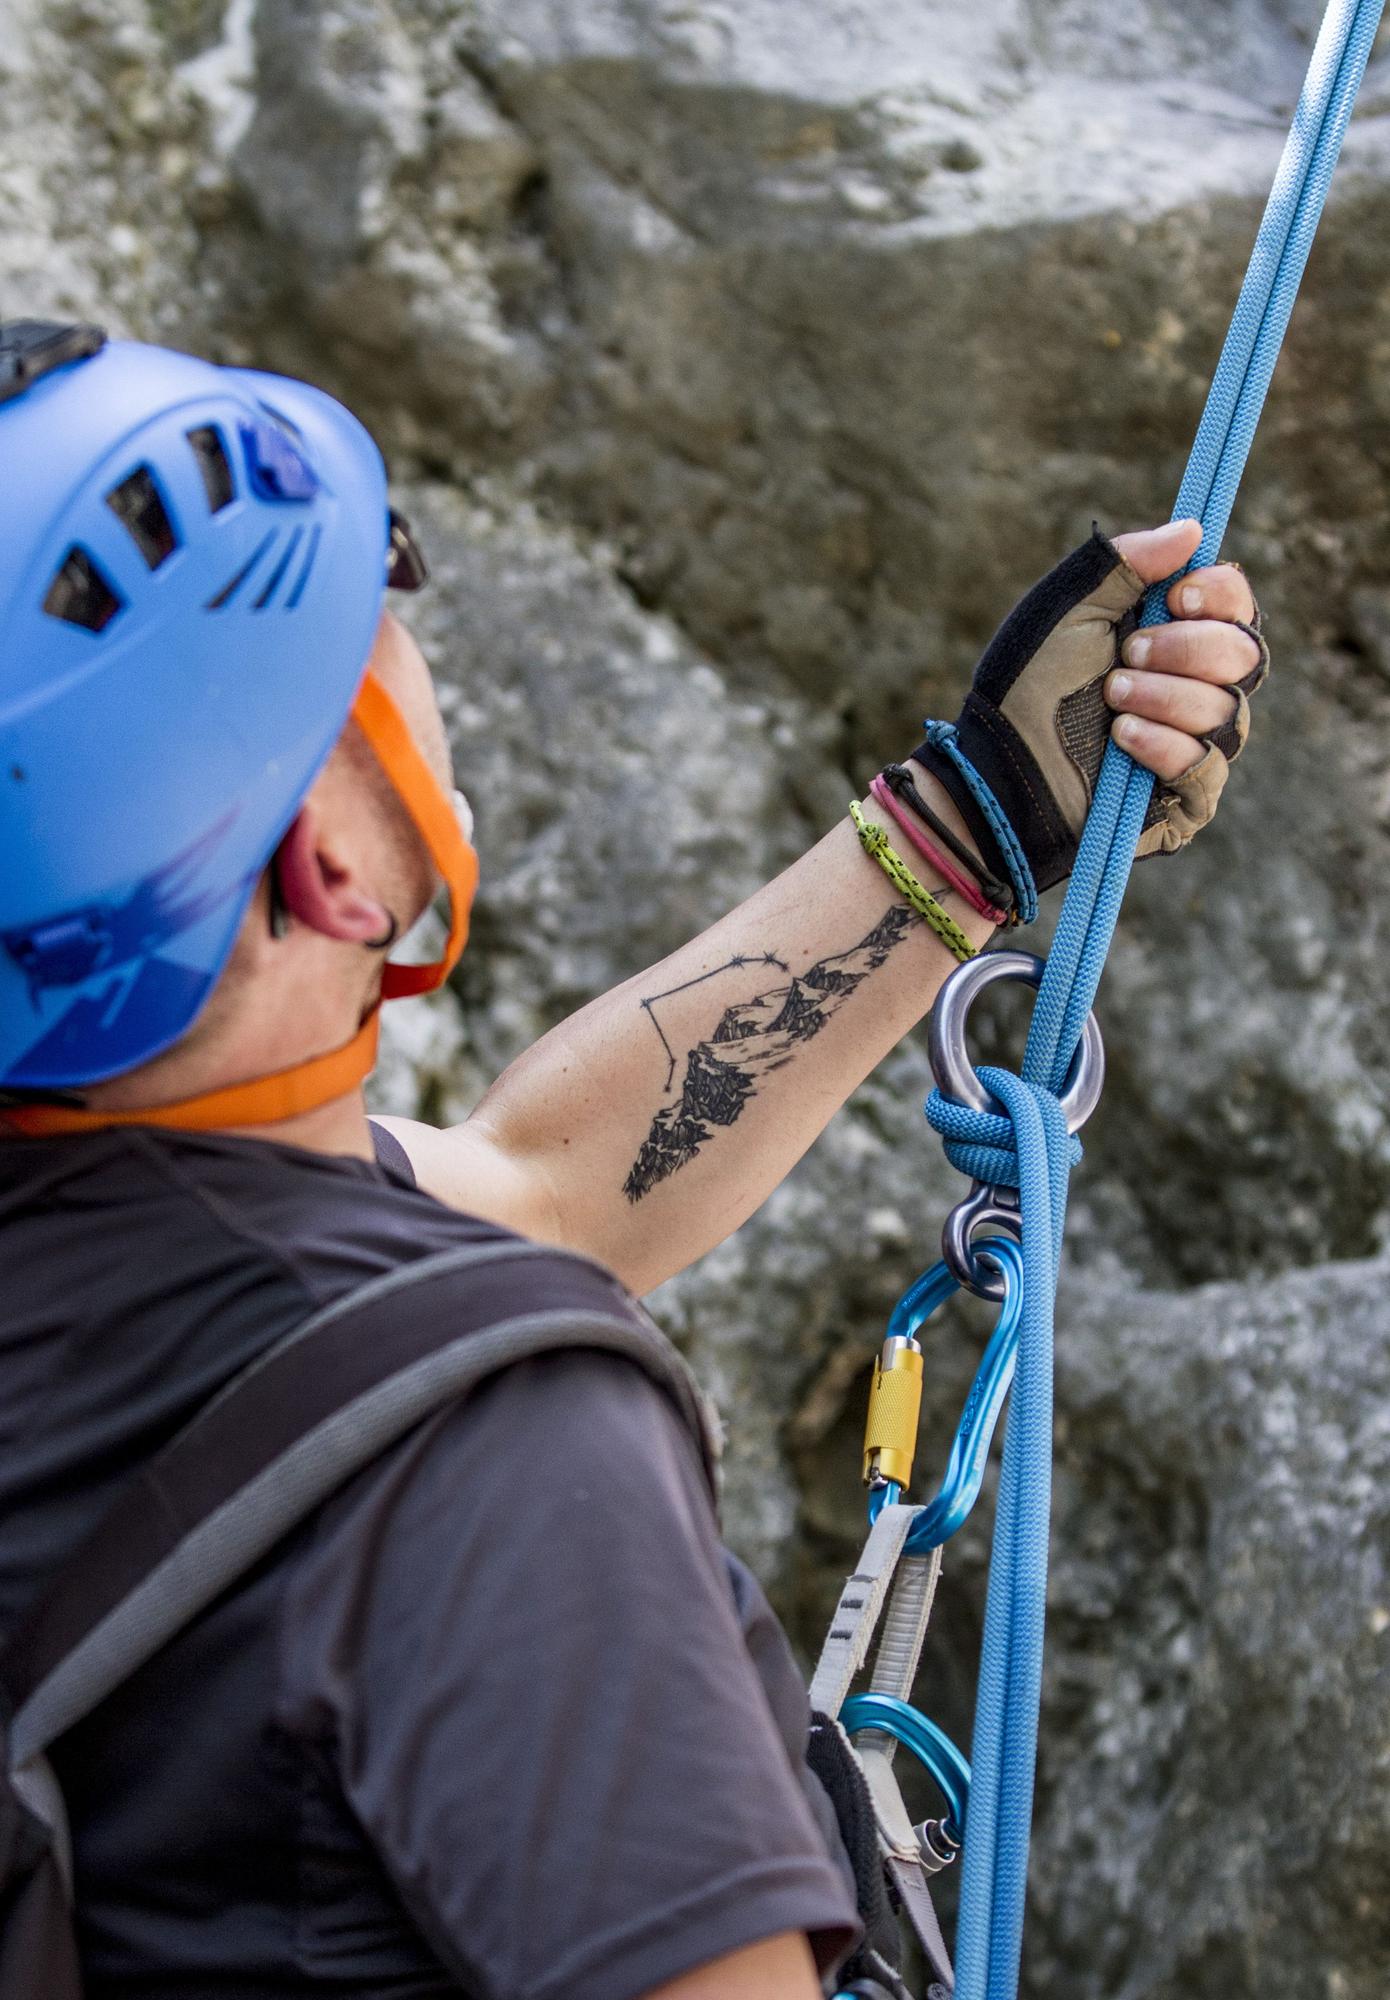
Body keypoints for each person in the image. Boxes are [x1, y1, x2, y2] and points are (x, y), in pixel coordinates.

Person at [0, 325, 1266, 2000]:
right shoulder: (486, 1468)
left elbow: (543, 1189)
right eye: (369, 658)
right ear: (327, 866)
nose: (416, 670)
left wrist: (974, 821)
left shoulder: (123, 1266)